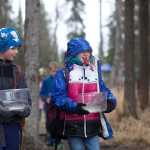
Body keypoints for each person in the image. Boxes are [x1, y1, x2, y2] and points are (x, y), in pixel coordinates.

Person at [51, 37, 117, 150]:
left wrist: (110, 101)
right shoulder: (63, 74)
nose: (86, 54)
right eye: (82, 51)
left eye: (88, 51)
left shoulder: (94, 72)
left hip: (93, 124)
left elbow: (103, 89)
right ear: (73, 53)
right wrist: (75, 107)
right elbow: (58, 97)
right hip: (73, 125)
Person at [0, 27, 31, 150]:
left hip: (13, 126)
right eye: (13, 48)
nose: (16, 52)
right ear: (2, 47)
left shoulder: (16, 71)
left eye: (17, 48)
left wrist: (25, 108)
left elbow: (26, 98)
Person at [39, 61, 58, 145]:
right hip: (48, 106)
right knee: (49, 122)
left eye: (55, 71)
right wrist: (46, 98)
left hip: (58, 106)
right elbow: (42, 93)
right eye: (52, 71)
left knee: (57, 122)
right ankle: (50, 138)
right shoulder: (46, 81)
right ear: (49, 71)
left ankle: (57, 139)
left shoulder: (60, 80)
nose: (54, 73)